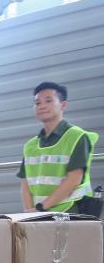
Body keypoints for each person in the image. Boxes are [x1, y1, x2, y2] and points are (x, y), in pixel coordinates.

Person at [18, 81, 99, 213]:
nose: (42, 106)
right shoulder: (30, 146)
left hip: (70, 212)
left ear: (63, 105)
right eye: (37, 103)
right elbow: (25, 184)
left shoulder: (77, 137)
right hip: (39, 216)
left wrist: (40, 208)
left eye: (48, 101)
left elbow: (73, 180)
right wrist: (29, 212)